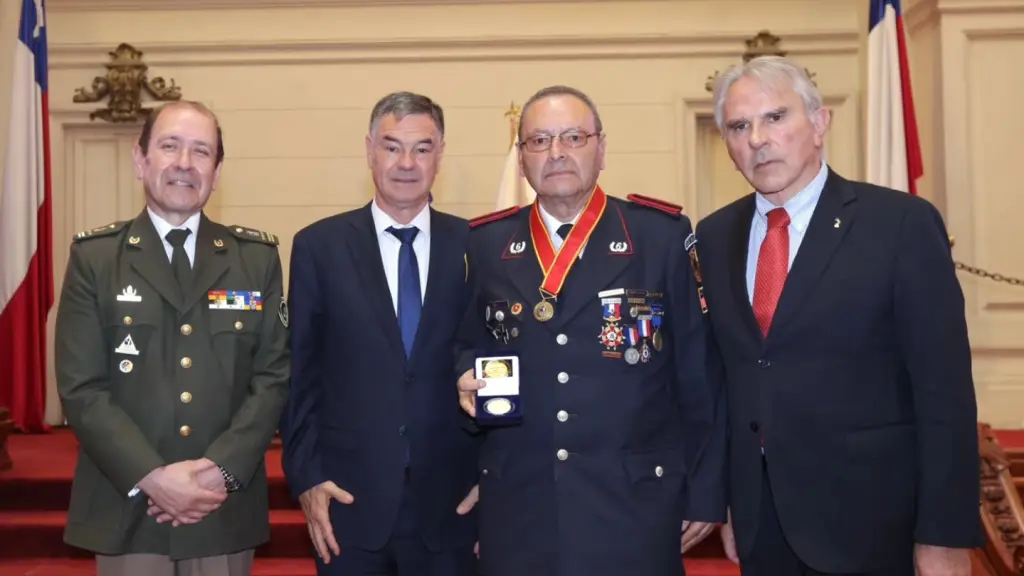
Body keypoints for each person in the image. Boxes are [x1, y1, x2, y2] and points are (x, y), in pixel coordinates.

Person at [697, 55, 982, 576]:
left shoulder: (900, 225)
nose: (757, 138)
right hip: (762, 525)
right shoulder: (714, 237)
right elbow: (727, 380)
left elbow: (945, 393)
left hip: (873, 526)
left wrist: (943, 535)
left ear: (819, 123)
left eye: (776, 117)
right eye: (739, 126)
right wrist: (729, 503)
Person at [454, 85, 726, 576]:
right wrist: (463, 377)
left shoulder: (658, 237)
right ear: (521, 159)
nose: (556, 152)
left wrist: (706, 492)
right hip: (519, 507)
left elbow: (698, 374)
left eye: (573, 136)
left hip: (634, 506)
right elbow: (465, 346)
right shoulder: (485, 243)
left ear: (601, 148)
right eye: (539, 141)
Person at [54, 100, 290, 576]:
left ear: (217, 171)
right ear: (141, 160)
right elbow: (81, 388)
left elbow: (273, 377)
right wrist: (153, 477)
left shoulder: (255, 259)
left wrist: (217, 472)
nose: (185, 163)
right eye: (170, 146)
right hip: (129, 505)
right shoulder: (96, 259)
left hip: (220, 504)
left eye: (201, 152)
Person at [279, 91, 480, 576]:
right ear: (369, 149)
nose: (406, 163)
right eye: (392, 147)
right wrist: (307, 477)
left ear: (441, 153)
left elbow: (495, 359)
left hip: (454, 504)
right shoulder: (318, 247)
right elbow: (298, 375)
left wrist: (496, 475)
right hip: (348, 502)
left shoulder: (478, 245)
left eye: (422, 148)